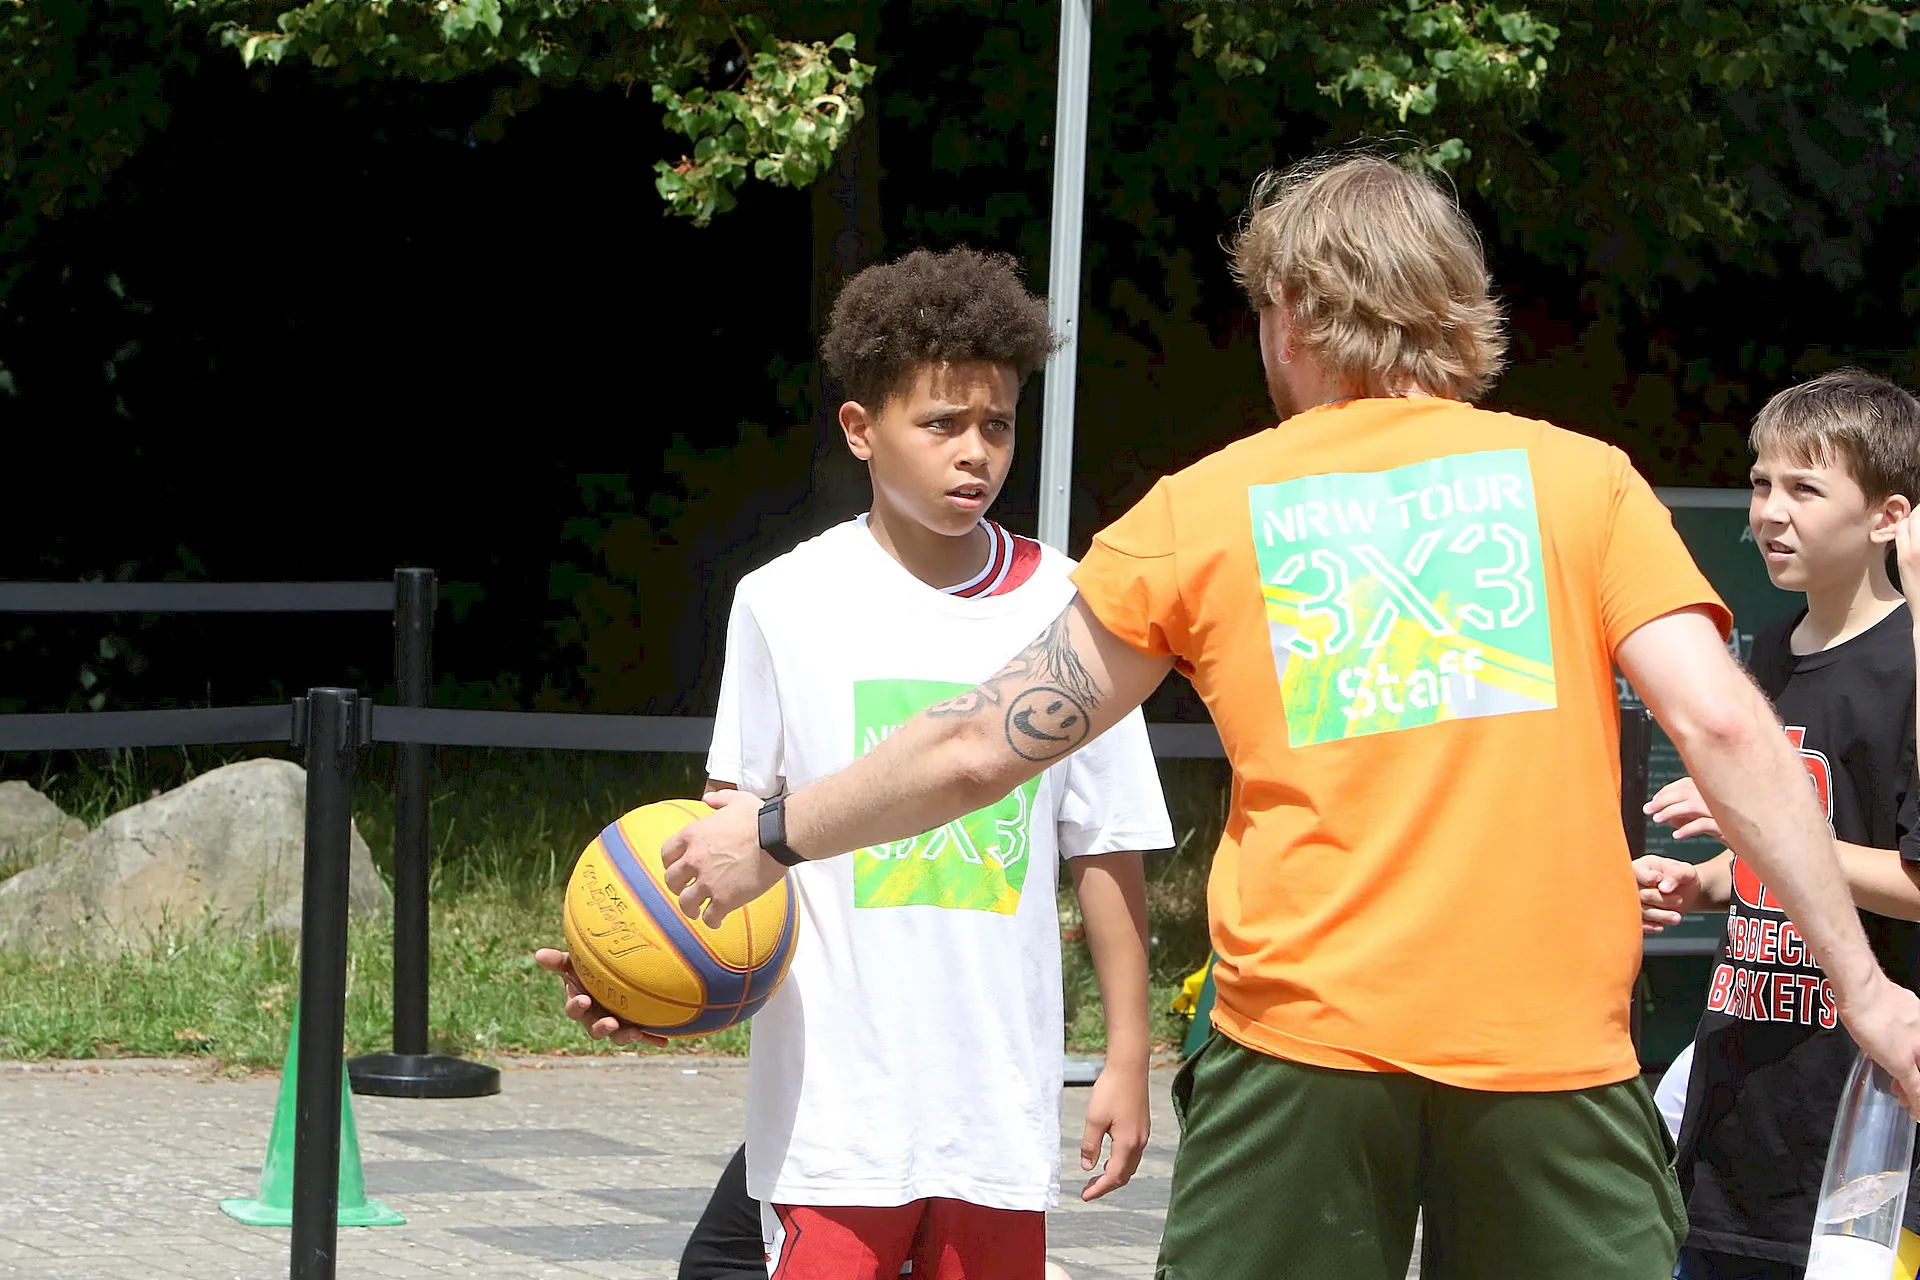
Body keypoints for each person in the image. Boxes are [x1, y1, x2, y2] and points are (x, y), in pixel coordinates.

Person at [651, 152, 1920, 1280]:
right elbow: (1728, 729)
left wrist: (771, 831)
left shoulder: (1203, 508)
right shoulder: (1587, 483)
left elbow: (981, 742)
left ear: (1297, 312)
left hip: (1302, 1052)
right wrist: (1863, 989)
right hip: (1548, 1056)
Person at [539, 245, 1174, 1280]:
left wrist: (1128, 1056)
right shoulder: (783, 601)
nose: (975, 453)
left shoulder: (1073, 611)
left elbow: (1107, 847)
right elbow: (729, 836)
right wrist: (644, 970)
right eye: (942, 423)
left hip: (996, 1110)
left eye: (998, 424)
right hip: (832, 1112)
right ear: (860, 429)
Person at [1635, 369, 1920, 1279]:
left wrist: (1768, 829)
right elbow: (1771, 862)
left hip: (1860, 1119)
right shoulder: (1769, 651)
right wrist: (1706, 879)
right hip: (1739, 1104)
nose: (1769, 512)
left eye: (1804, 488)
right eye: (1761, 483)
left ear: (1888, 517)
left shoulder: (1908, 670)